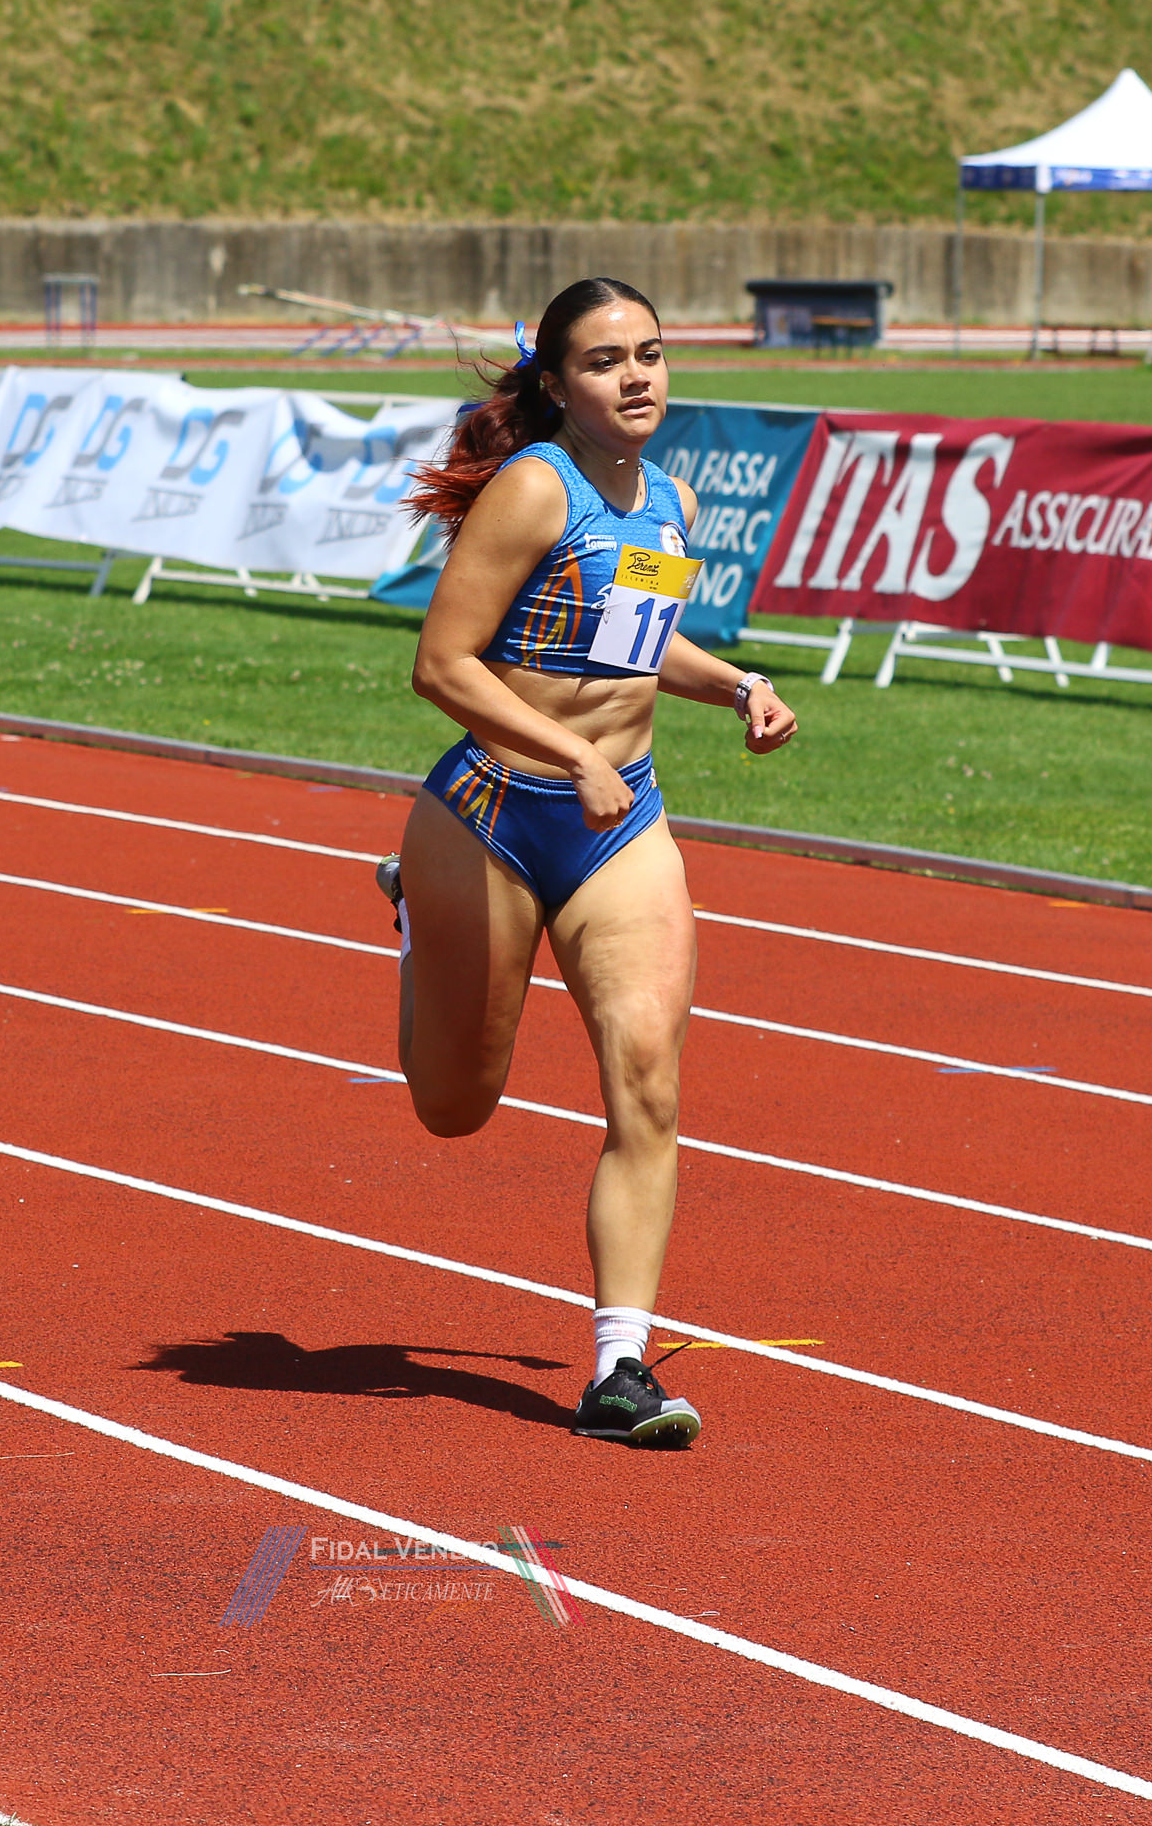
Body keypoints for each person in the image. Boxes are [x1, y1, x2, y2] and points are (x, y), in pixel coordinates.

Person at [377, 277, 797, 1449]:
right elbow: (443, 663)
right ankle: (416, 917)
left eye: (650, 353)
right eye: (607, 360)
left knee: (648, 1076)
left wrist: (743, 686)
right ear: (559, 384)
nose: (637, 376)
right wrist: (569, 752)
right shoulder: (533, 487)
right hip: (491, 813)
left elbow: (636, 645)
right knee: (454, 1106)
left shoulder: (670, 501)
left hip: (621, 822)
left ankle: (619, 1367)